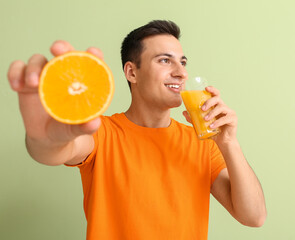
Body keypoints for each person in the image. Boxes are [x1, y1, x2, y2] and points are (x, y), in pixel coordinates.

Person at [7, 20, 267, 239]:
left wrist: (229, 143)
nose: (181, 73)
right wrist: (42, 138)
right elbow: (57, 149)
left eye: (183, 62)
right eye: (165, 60)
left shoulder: (202, 142)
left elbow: (254, 217)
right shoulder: (103, 132)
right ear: (132, 72)